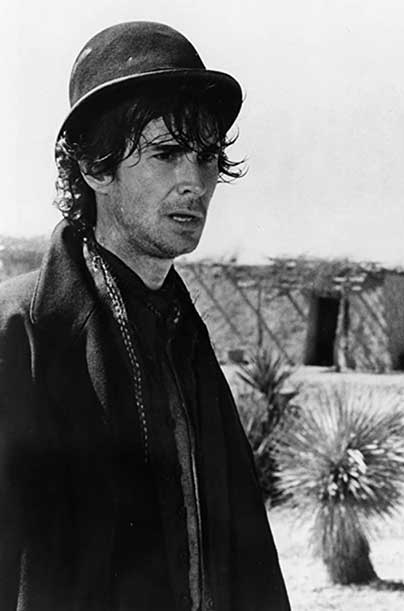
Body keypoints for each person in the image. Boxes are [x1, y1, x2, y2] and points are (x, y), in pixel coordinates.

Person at [0, 22, 290, 610]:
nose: (196, 182)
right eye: (166, 154)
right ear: (95, 168)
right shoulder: (22, 333)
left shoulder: (182, 331)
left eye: (208, 157)